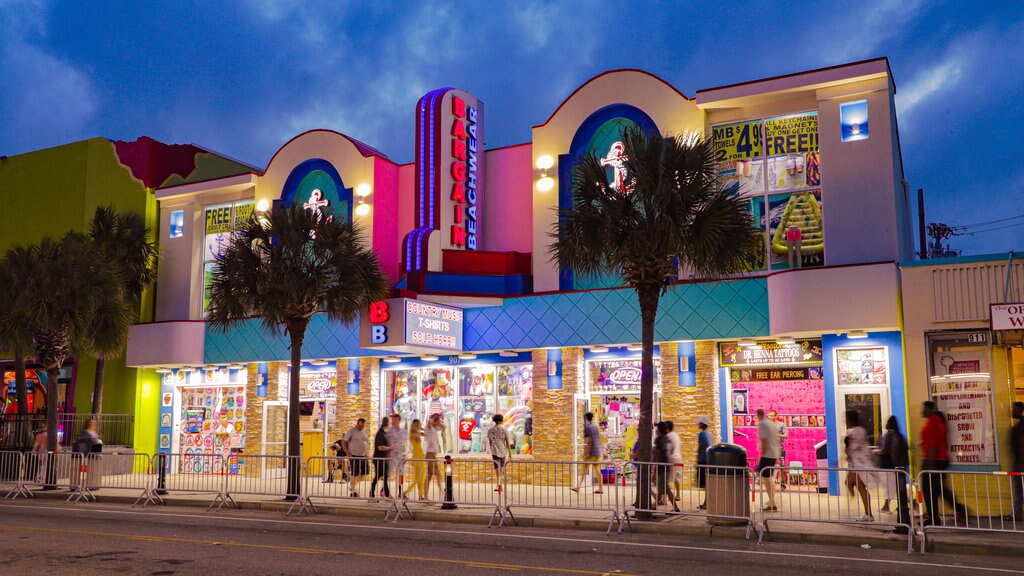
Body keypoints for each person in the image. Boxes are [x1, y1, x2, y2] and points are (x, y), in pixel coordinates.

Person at [919, 401, 968, 525]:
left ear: (930, 410)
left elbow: (932, 445)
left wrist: (930, 465)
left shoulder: (932, 422)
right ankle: (960, 509)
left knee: (929, 490)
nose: (922, 411)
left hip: (933, 461)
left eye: (924, 409)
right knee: (939, 489)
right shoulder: (938, 421)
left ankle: (933, 518)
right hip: (940, 460)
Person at [878, 415, 911, 533]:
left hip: (890, 466)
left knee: (892, 487)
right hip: (900, 467)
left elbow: (885, 450)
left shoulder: (889, 435)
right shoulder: (900, 436)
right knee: (897, 489)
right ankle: (888, 506)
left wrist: (875, 452)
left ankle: (889, 507)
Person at [844, 410, 876, 522]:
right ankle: (868, 513)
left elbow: (853, 448)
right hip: (859, 463)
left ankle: (868, 513)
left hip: (857, 464)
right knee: (858, 486)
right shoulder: (861, 430)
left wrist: (848, 454)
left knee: (858, 486)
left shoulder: (853, 432)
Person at [571, 412, 604, 494]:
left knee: (584, 469)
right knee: (597, 470)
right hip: (597, 451)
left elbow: (588, 441)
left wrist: (586, 453)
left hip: (591, 452)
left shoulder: (587, 428)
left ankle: (578, 487)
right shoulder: (596, 427)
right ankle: (601, 488)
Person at [757, 408, 781, 511]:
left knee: (766, 480)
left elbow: (764, 440)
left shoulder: (763, 424)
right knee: (770, 479)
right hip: (774, 454)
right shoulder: (772, 424)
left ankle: (772, 503)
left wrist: (762, 454)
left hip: (767, 454)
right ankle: (772, 501)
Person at [653, 421, 679, 511]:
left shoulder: (659, 439)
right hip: (667, 464)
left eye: (657, 428)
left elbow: (657, 454)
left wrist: (654, 468)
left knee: (665, 487)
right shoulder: (667, 438)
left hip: (661, 465)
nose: (656, 430)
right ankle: (654, 505)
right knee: (661, 486)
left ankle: (675, 507)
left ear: (659, 429)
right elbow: (672, 449)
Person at [342, 418, 369, 497]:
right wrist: (347, 452)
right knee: (355, 473)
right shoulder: (351, 431)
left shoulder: (365, 431)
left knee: (365, 472)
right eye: (360, 426)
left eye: (363, 426)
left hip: (363, 455)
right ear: (357, 424)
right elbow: (344, 441)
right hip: (354, 455)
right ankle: (353, 491)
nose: (361, 427)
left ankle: (351, 485)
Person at [368, 417, 392, 500]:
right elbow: (380, 447)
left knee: (384, 476)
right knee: (378, 476)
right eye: (390, 423)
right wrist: (390, 448)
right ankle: (371, 493)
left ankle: (387, 493)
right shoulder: (380, 434)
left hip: (383, 459)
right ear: (387, 423)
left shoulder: (384, 433)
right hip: (379, 459)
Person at [423, 413, 446, 498]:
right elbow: (429, 423)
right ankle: (427, 495)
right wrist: (434, 420)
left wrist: (439, 422)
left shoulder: (434, 428)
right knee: (431, 475)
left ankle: (440, 492)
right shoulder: (428, 428)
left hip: (432, 454)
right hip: (429, 454)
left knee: (434, 475)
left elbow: (444, 427)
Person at [386, 413, 408, 498]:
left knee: (401, 474)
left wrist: (405, 452)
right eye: (393, 420)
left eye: (397, 419)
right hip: (392, 455)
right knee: (389, 474)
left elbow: (405, 442)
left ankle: (400, 492)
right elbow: (387, 442)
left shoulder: (403, 431)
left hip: (401, 456)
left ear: (399, 420)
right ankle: (384, 490)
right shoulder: (389, 431)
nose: (395, 421)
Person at [1009, 402, 1024, 522]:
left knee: (1019, 489)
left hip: (1020, 463)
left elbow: (1019, 445)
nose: (1012, 411)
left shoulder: (1019, 427)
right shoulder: (1018, 426)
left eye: (1014, 409)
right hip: (1019, 462)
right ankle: (1017, 511)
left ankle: (1017, 512)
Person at [487, 414, 511, 488]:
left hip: (494, 451)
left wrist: (491, 449)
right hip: (503, 450)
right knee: (502, 467)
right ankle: (500, 483)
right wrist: (510, 453)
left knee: (497, 467)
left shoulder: (490, 430)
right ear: (501, 420)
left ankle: (498, 483)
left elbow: (490, 441)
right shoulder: (504, 429)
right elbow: (507, 442)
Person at [769, 410, 789, 490]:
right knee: (769, 467)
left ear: (776, 416)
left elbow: (786, 435)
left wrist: (777, 435)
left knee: (781, 467)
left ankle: (782, 484)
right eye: (769, 416)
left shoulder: (781, 425)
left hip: (779, 449)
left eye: (772, 416)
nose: (770, 417)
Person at [407, 419, 427, 499]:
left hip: (421, 455)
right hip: (417, 456)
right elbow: (417, 438)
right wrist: (419, 432)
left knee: (421, 477)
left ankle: (420, 495)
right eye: (419, 424)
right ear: (416, 425)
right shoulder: (413, 433)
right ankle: (405, 493)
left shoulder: (417, 432)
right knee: (417, 478)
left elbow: (425, 434)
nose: (420, 425)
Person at [665, 421, 684, 502]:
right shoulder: (676, 435)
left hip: (671, 459)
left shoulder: (668, 436)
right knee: (677, 478)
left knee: (667, 479)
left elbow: (668, 449)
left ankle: (664, 497)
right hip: (678, 458)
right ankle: (678, 495)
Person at [696, 416, 712, 510]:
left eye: (699, 423)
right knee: (706, 483)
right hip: (708, 460)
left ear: (703, 424)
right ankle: (706, 502)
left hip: (702, 460)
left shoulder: (701, 434)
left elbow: (700, 446)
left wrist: (697, 457)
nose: (698, 424)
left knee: (705, 483)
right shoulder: (709, 434)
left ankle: (706, 503)